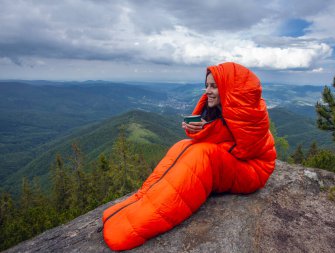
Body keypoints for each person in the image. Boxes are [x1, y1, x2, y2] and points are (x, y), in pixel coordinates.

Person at [101, 62, 276, 251]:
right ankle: (139, 201)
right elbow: (226, 139)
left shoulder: (250, 113)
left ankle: (137, 225)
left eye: (214, 86)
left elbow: (244, 150)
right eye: (207, 85)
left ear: (229, 89)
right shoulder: (225, 107)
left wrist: (207, 131)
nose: (207, 91)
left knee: (202, 155)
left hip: (253, 168)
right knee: (182, 146)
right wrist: (201, 130)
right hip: (237, 161)